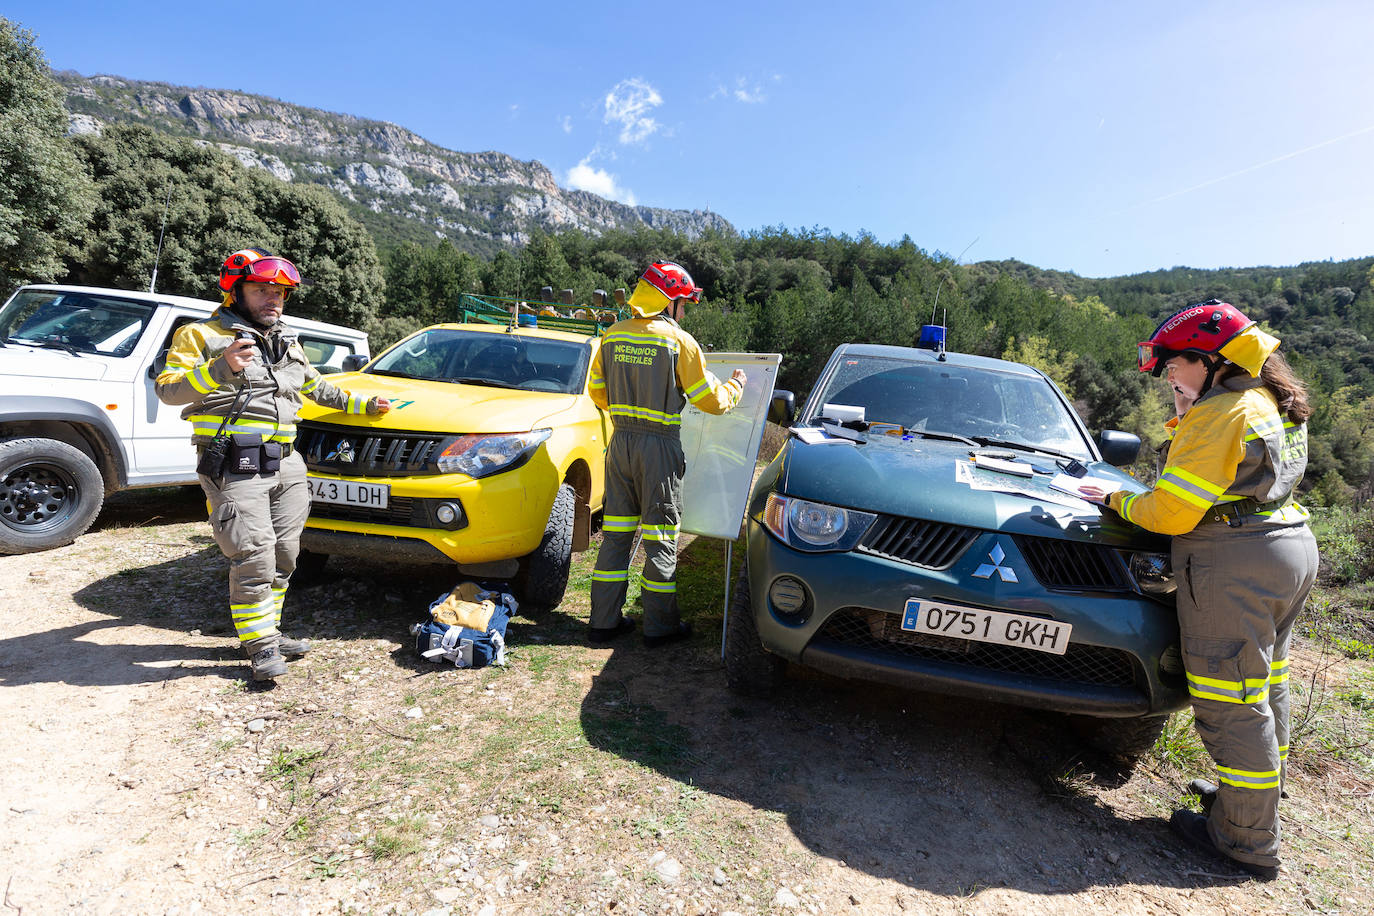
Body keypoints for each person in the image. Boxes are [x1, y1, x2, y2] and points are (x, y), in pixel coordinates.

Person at [1079, 299, 1317, 880]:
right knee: (1263, 684)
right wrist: (1188, 410)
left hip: (1234, 560)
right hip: (1286, 547)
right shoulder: (1261, 400)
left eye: (1173, 364)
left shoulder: (1221, 411)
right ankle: (1251, 805)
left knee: (1229, 700)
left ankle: (1244, 842)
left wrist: (1115, 499)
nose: (1166, 375)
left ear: (1210, 361)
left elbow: (1170, 513)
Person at [155, 248, 393, 681]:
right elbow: (168, 391)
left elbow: (319, 389)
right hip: (234, 463)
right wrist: (220, 368)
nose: (273, 299)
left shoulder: (288, 339)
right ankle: (260, 645)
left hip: (287, 464)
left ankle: (270, 628)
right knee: (254, 555)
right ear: (235, 290)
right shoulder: (201, 335)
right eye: (263, 289)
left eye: (280, 292)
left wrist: (366, 406)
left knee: (285, 554)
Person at [586, 261, 747, 647]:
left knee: (616, 534)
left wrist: (629, 407)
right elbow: (710, 401)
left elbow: (596, 391)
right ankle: (659, 627)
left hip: (620, 443)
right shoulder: (679, 342)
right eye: (684, 302)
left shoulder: (611, 336)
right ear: (669, 300)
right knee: (660, 536)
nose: (685, 311)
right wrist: (736, 387)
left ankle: (603, 621)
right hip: (658, 446)